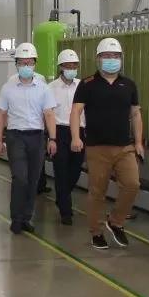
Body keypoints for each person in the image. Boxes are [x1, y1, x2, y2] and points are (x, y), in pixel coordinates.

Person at [70, 38, 144, 251]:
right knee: (97, 192)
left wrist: (139, 142)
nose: (112, 59)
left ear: (121, 59)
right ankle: (96, 232)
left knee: (132, 184)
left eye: (116, 56)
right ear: (98, 59)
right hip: (97, 147)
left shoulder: (128, 85)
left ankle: (116, 222)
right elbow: (76, 111)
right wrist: (76, 137)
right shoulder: (87, 84)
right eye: (107, 56)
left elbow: (136, 114)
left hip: (124, 147)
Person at [0, 42, 58, 235]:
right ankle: (16, 218)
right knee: (20, 177)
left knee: (33, 179)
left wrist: (53, 138)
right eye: (22, 62)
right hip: (16, 137)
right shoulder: (8, 88)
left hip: (37, 137)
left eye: (29, 62)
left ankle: (26, 217)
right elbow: (1, 114)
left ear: (35, 63)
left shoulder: (43, 88)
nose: (26, 66)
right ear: (16, 64)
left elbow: (49, 114)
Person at [48, 49, 85, 225]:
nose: (72, 68)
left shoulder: (82, 85)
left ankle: (61, 196)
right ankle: (66, 211)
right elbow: (47, 113)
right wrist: (50, 138)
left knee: (75, 170)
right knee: (61, 170)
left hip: (79, 131)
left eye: (74, 66)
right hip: (59, 131)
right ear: (61, 67)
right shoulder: (51, 88)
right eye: (68, 66)